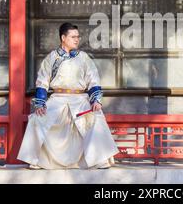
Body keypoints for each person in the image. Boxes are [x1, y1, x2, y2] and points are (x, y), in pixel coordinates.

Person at [17, 23, 119, 169]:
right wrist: (40, 103)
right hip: (57, 99)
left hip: (80, 99)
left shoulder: (84, 58)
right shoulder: (52, 58)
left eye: (78, 37)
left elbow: (93, 80)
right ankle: (37, 159)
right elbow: (42, 81)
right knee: (37, 119)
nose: (77, 40)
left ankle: (100, 159)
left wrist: (96, 100)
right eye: (73, 37)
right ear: (63, 38)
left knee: (95, 117)